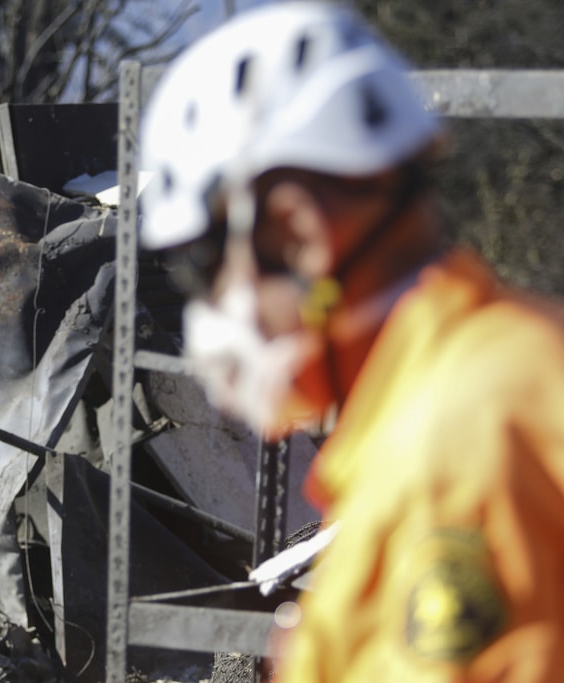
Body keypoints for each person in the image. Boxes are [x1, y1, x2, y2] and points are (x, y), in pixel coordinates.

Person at [139, 1, 564, 681]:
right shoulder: (502, 368)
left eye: (199, 266)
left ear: (297, 232)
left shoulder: (454, 450)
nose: (203, 309)